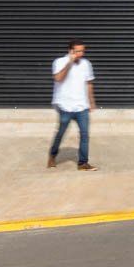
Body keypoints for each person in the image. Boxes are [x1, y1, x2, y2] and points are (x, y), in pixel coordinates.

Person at [48, 39, 96, 170]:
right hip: (65, 106)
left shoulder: (86, 64)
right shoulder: (59, 62)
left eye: (82, 51)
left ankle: (83, 163)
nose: (80, 54)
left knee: (85, 134)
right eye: (77, 51)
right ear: (70, 51)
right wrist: (69, 62)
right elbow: (58, 78)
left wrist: (91, 101)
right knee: (61, 133)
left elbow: (89, 82)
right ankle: (52, 156)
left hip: (82, 106)